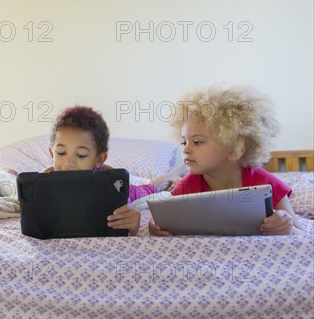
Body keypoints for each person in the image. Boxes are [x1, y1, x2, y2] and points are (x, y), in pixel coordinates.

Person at [149, 85, 305, 236]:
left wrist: (287, 227)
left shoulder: (265, 183)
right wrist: (156, 227)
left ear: (234, 150)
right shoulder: (188, 185)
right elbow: (167, 221)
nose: (185, 149)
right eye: (184, 142)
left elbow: (301, 234)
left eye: (197, 142)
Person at [43, 106, 185, 236]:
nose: (69, 163)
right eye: (61, 152)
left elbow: (125, 215)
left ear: (99, 158)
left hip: (130, 189)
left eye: (81, 155)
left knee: (150, 187)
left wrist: (132, 225)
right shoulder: (43, 181)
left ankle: (176, 172)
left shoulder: (110, 179)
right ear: (51, 153)